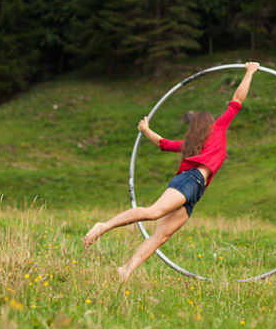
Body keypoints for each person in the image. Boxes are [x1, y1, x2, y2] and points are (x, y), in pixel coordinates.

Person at [83, 62, 260, 281]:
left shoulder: (190, 144)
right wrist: (249, 72)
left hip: (196, 191)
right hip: (189, 180)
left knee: (161, 236)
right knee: (153, 212)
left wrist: (145, 129)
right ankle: (104, 226)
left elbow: (163, 143)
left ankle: (126, 270)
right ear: (210, 123)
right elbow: (237, 100)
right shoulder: (218, 128)